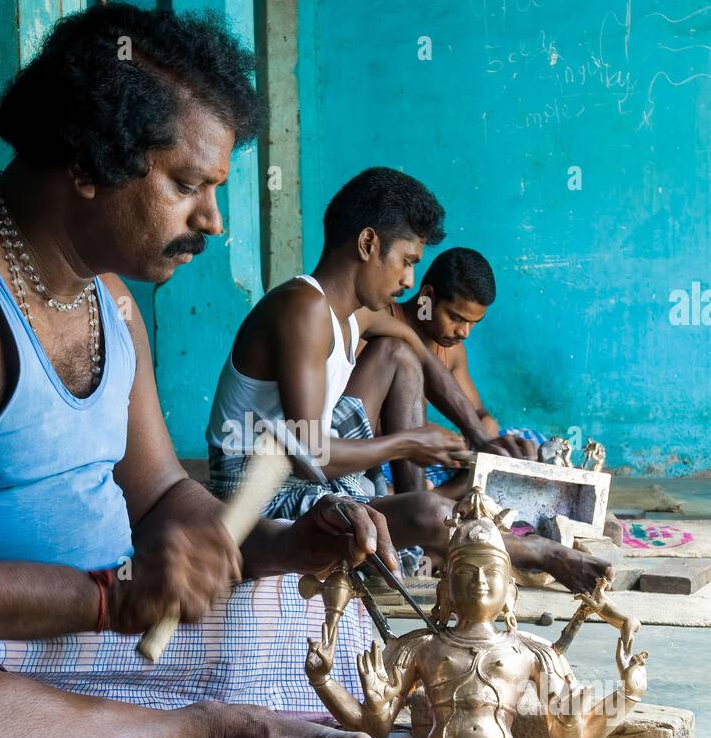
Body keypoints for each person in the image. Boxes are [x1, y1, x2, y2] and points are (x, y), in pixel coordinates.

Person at [0, 2, 393, 738]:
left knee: (330, 624)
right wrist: (108, 599)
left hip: (77, 642)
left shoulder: (113, 305)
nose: (212, 220)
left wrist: (253, 543)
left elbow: (164, 491)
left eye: (216, 189)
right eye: (186, 185)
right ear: (89, 165)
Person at [206, 168, 611, 590]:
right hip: (257, 493)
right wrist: (410, 442)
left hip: (301, 465)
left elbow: (417, 354)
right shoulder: (303, 308)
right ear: (368, 244)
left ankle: (411, 540)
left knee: (397, 353)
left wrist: (477, 436)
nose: (408, 281)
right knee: (431, 512)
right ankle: (537, 554)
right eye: (407, 261)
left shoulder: (350, 313)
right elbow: (312, 455)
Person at [390, 246, 545, 491]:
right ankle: (435, 498)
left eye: (473, 323)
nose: (464, 332)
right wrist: (444, 439)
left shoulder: (451, 350)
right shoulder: (383, 330)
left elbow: (478, 413)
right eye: (456, 318)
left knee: (532, 443)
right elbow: (368, 423)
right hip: (391, 453)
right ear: (426, 298)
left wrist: (484, 431)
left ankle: (448, 491)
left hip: (440, 453)